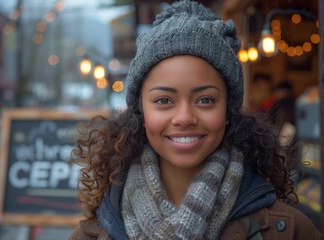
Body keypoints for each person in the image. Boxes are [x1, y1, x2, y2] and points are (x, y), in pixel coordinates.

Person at [69, 1, 322, 239]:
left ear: (228, 110)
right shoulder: (94, 234)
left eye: (205, 100)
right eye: (164, 101)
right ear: (140, 111)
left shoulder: (288, 231)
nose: (184, 118)